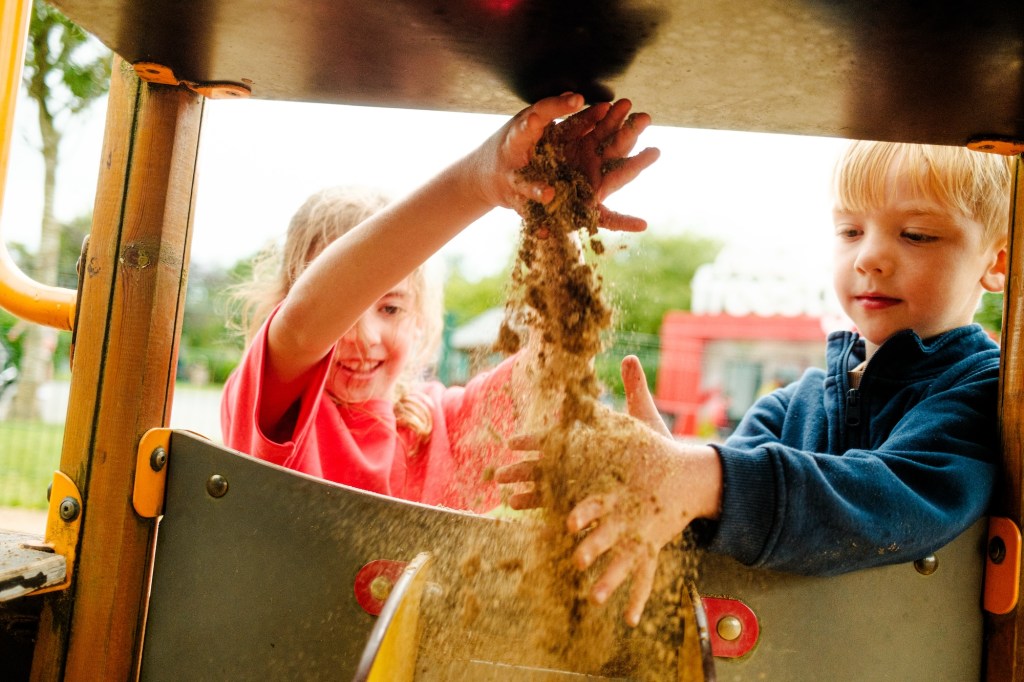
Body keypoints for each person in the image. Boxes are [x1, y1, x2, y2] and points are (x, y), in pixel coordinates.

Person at [498, 140, 1012, 626]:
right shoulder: (790, 409)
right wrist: (653, 481)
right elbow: (713, 513)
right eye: (850, 231)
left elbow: (894, 501)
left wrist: (701, 477)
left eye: (917, 235)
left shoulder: (984, 394)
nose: (868, 258)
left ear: (997, 262)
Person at [220, 93, 660, 512]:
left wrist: (556, 211)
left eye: (390, 308)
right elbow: (303, 326)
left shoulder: (441, 430)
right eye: (346, 309)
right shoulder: (272, 405)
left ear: (420, 319)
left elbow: (551, 366)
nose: (363, 336)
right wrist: (477, 180)